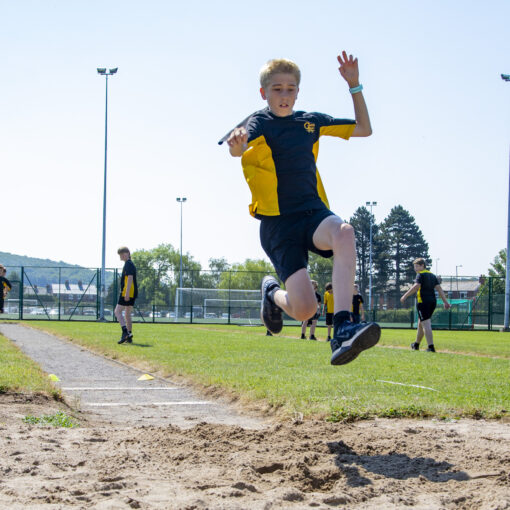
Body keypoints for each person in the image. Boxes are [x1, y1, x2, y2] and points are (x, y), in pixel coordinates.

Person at [221, 51, 380, 365]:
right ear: (264, 93)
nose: (284, 94)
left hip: (312, 213)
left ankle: (344, 326)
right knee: (305, 309)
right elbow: (238, 150)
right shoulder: (259, 122)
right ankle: (271, 293)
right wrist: (237, 145)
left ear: (298, 91)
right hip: (278, 225)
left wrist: (354, 85)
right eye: (277, 89)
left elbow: (364, 129)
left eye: (290, 88)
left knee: (345, 233)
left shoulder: (311, 122)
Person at [400, 257, 451, 352]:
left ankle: (431, 347)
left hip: (423, 302)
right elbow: (439, 288)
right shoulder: (432, 275)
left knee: (426, 324)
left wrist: (405, 296)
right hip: (432, 302)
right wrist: (445, 302)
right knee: (421, 323)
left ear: (422, 266)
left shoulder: (420, 275)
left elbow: (416, 286)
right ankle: (416, 345)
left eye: (417, 266)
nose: (415, 268)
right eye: (414, 266)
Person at [115, 247, 138, 344]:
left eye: (124, 254)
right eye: (121, 255)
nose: (122, 256)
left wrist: (127, 293)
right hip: (132, 292)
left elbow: (130, 278)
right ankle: (129, 336)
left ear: (128, 253)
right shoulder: (129, 264)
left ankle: (125, 332)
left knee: (117, 311)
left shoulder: (128, 264)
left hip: (127, 292)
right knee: (127, 314)